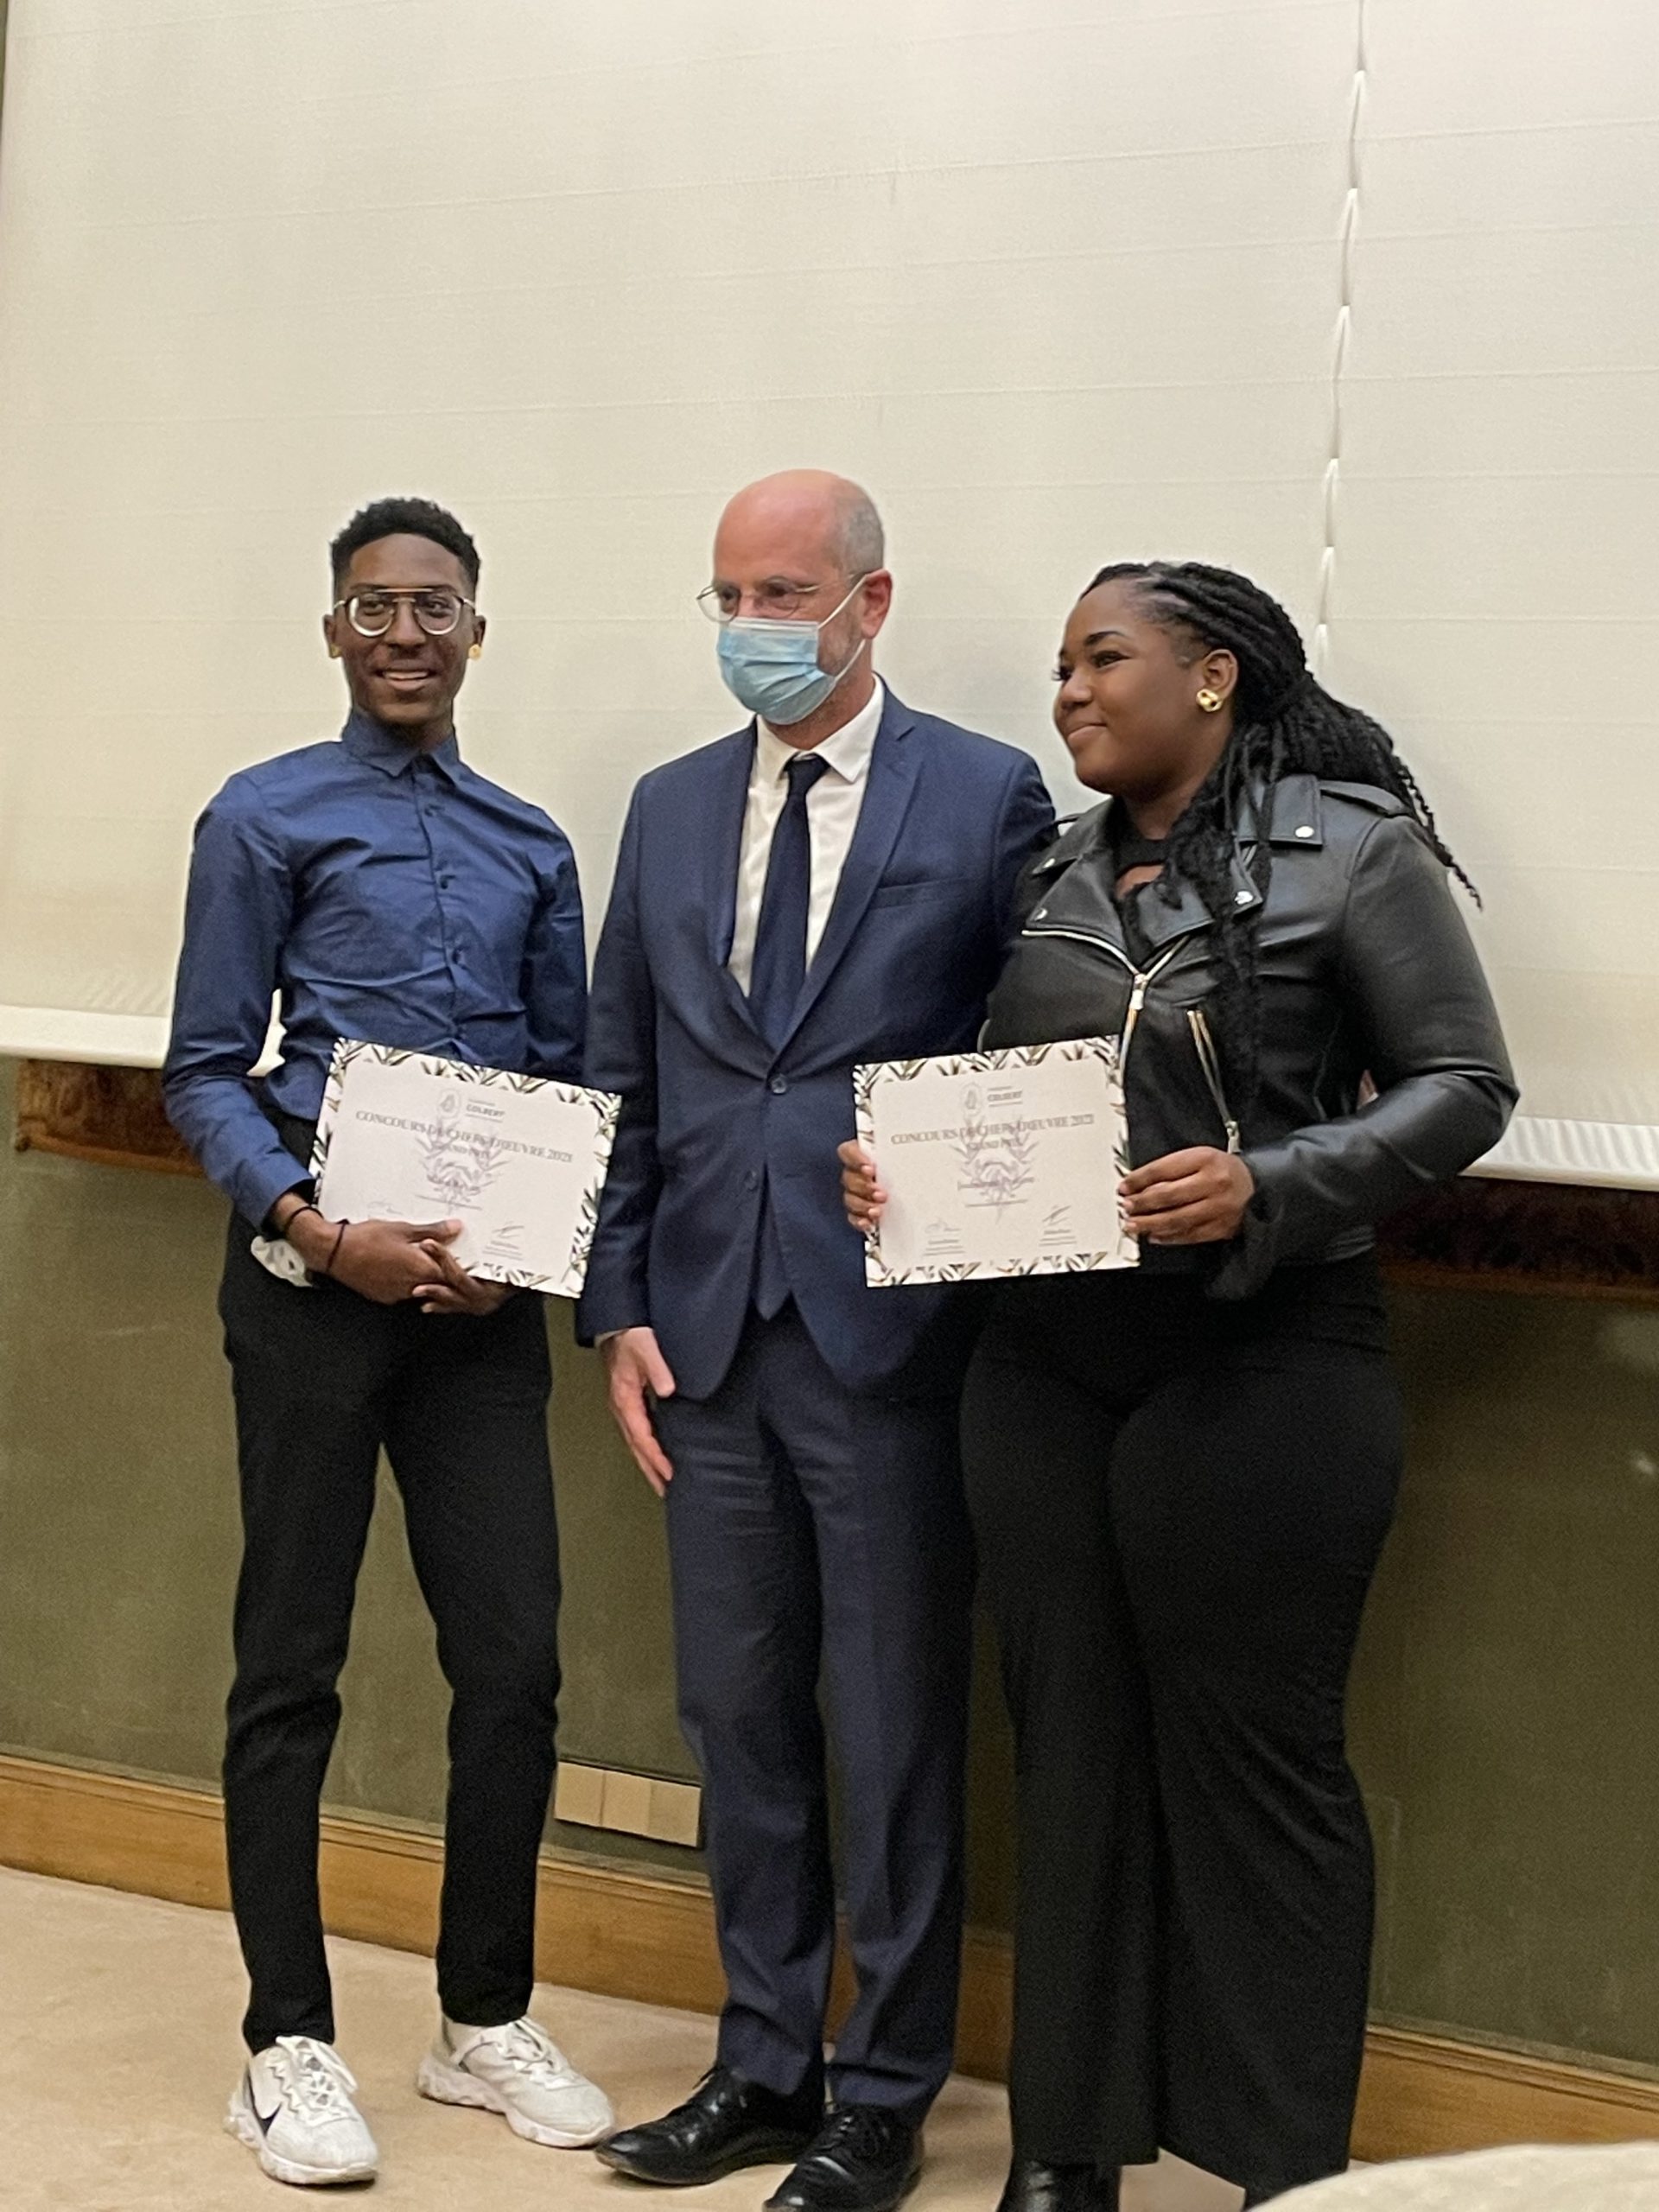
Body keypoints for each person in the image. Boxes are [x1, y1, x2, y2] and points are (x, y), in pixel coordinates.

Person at [841, 562, 1516, 2210]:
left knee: (1256, 1772)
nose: (1068, 692)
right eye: (1061, 668)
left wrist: (1271, 1181)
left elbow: (1464, 1083)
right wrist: (907, 1179)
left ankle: (1287, 2175)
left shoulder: (1359, 849)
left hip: (1266, 1360)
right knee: (1067, 1758)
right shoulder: (1052, 871)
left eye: (1103, 660)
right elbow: (1016, 1096)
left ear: (1214, 676)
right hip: (1045, 1365)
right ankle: (1064, 2154)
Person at [580, 471, 1054, 2212]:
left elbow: (1033, 1061)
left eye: (783, 594)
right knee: (739, 1719)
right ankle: (764, 2063)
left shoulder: (986, 794)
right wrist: (617, 1305)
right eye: (728, 596)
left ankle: (883, 2093)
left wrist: (940, 1186)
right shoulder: (667, 805)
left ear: (870, 603)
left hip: (889, 1339)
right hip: (703, 1338)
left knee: (893, 1726)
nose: (751, 627)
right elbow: (624, 1070)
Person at [163, 497, 612, 2188]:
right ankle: (285, 2042)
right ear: (335, 630)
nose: (406, 634)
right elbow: (206, 1065)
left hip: (476, 1314)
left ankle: (480, 2016)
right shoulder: (262, 815)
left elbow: (566, 1085)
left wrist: (524, 1253)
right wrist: (312, 1226)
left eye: (435, 607)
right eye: (375, 607)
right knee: (292, 1661)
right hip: (312, 1288)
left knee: (515, 1661)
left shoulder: (531, 844)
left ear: (477, 632)